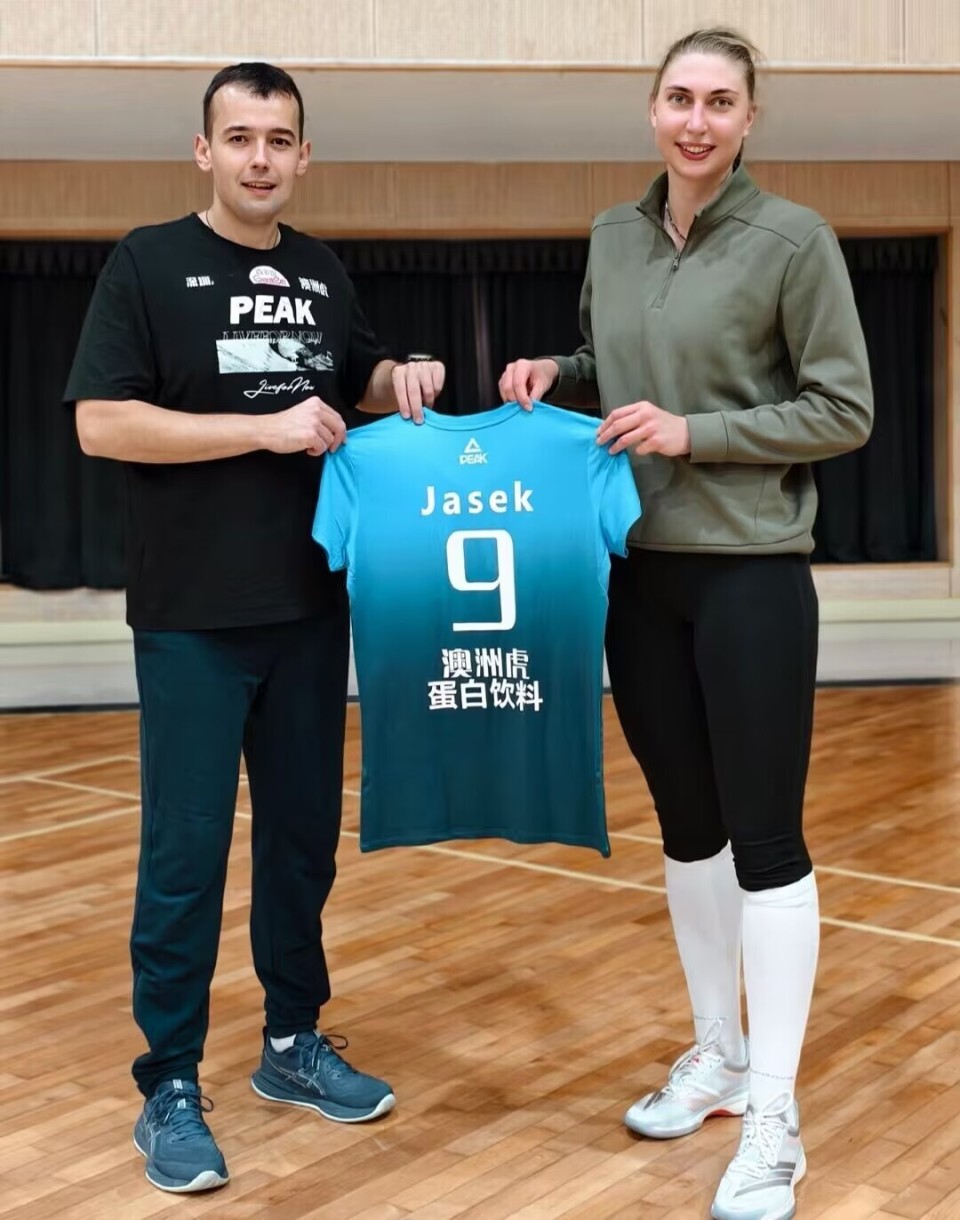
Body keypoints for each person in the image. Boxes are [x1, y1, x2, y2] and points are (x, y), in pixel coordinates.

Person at [498, 28, 872, 1220]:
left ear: (750, 119)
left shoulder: (796, 241)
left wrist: (693, 433)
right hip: (639, 576)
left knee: (766, 841)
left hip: (751, 574)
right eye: (679, 98)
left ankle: (776, 1116)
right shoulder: (612, 234)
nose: (696, 120)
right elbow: (613, 361)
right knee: (689, 833)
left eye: (719, 102)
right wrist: (557, 372)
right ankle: (718, 1053)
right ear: (651, 110)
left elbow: (844, 407)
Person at [64, 62, 443, 1195]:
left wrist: (401, 377)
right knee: (185, 852)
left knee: (300, 842)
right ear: (205, 151)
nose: (260, 158)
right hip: (192, 615)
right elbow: (101, 424)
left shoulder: (321, 270)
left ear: (304, 155)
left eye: (279, 139)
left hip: (310, 610)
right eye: (240, 137)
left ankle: (291, 1041)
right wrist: (259, 429)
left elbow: (354, 373)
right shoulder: (145, 261)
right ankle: (170, 1080)